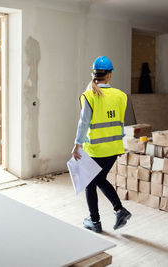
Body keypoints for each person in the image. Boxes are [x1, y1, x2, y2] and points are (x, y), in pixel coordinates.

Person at [71, 56, 131, 233]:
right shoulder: (120, 96)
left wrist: (76, 145)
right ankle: (119, 210)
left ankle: (95, 221)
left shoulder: (89, 96)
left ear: (93, 74)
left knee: (91, 183)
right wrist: (119, 143)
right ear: (109, 75)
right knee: (99, 179)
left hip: (96, 150)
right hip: (113, 149)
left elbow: (83, 123)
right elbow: (120, 122)